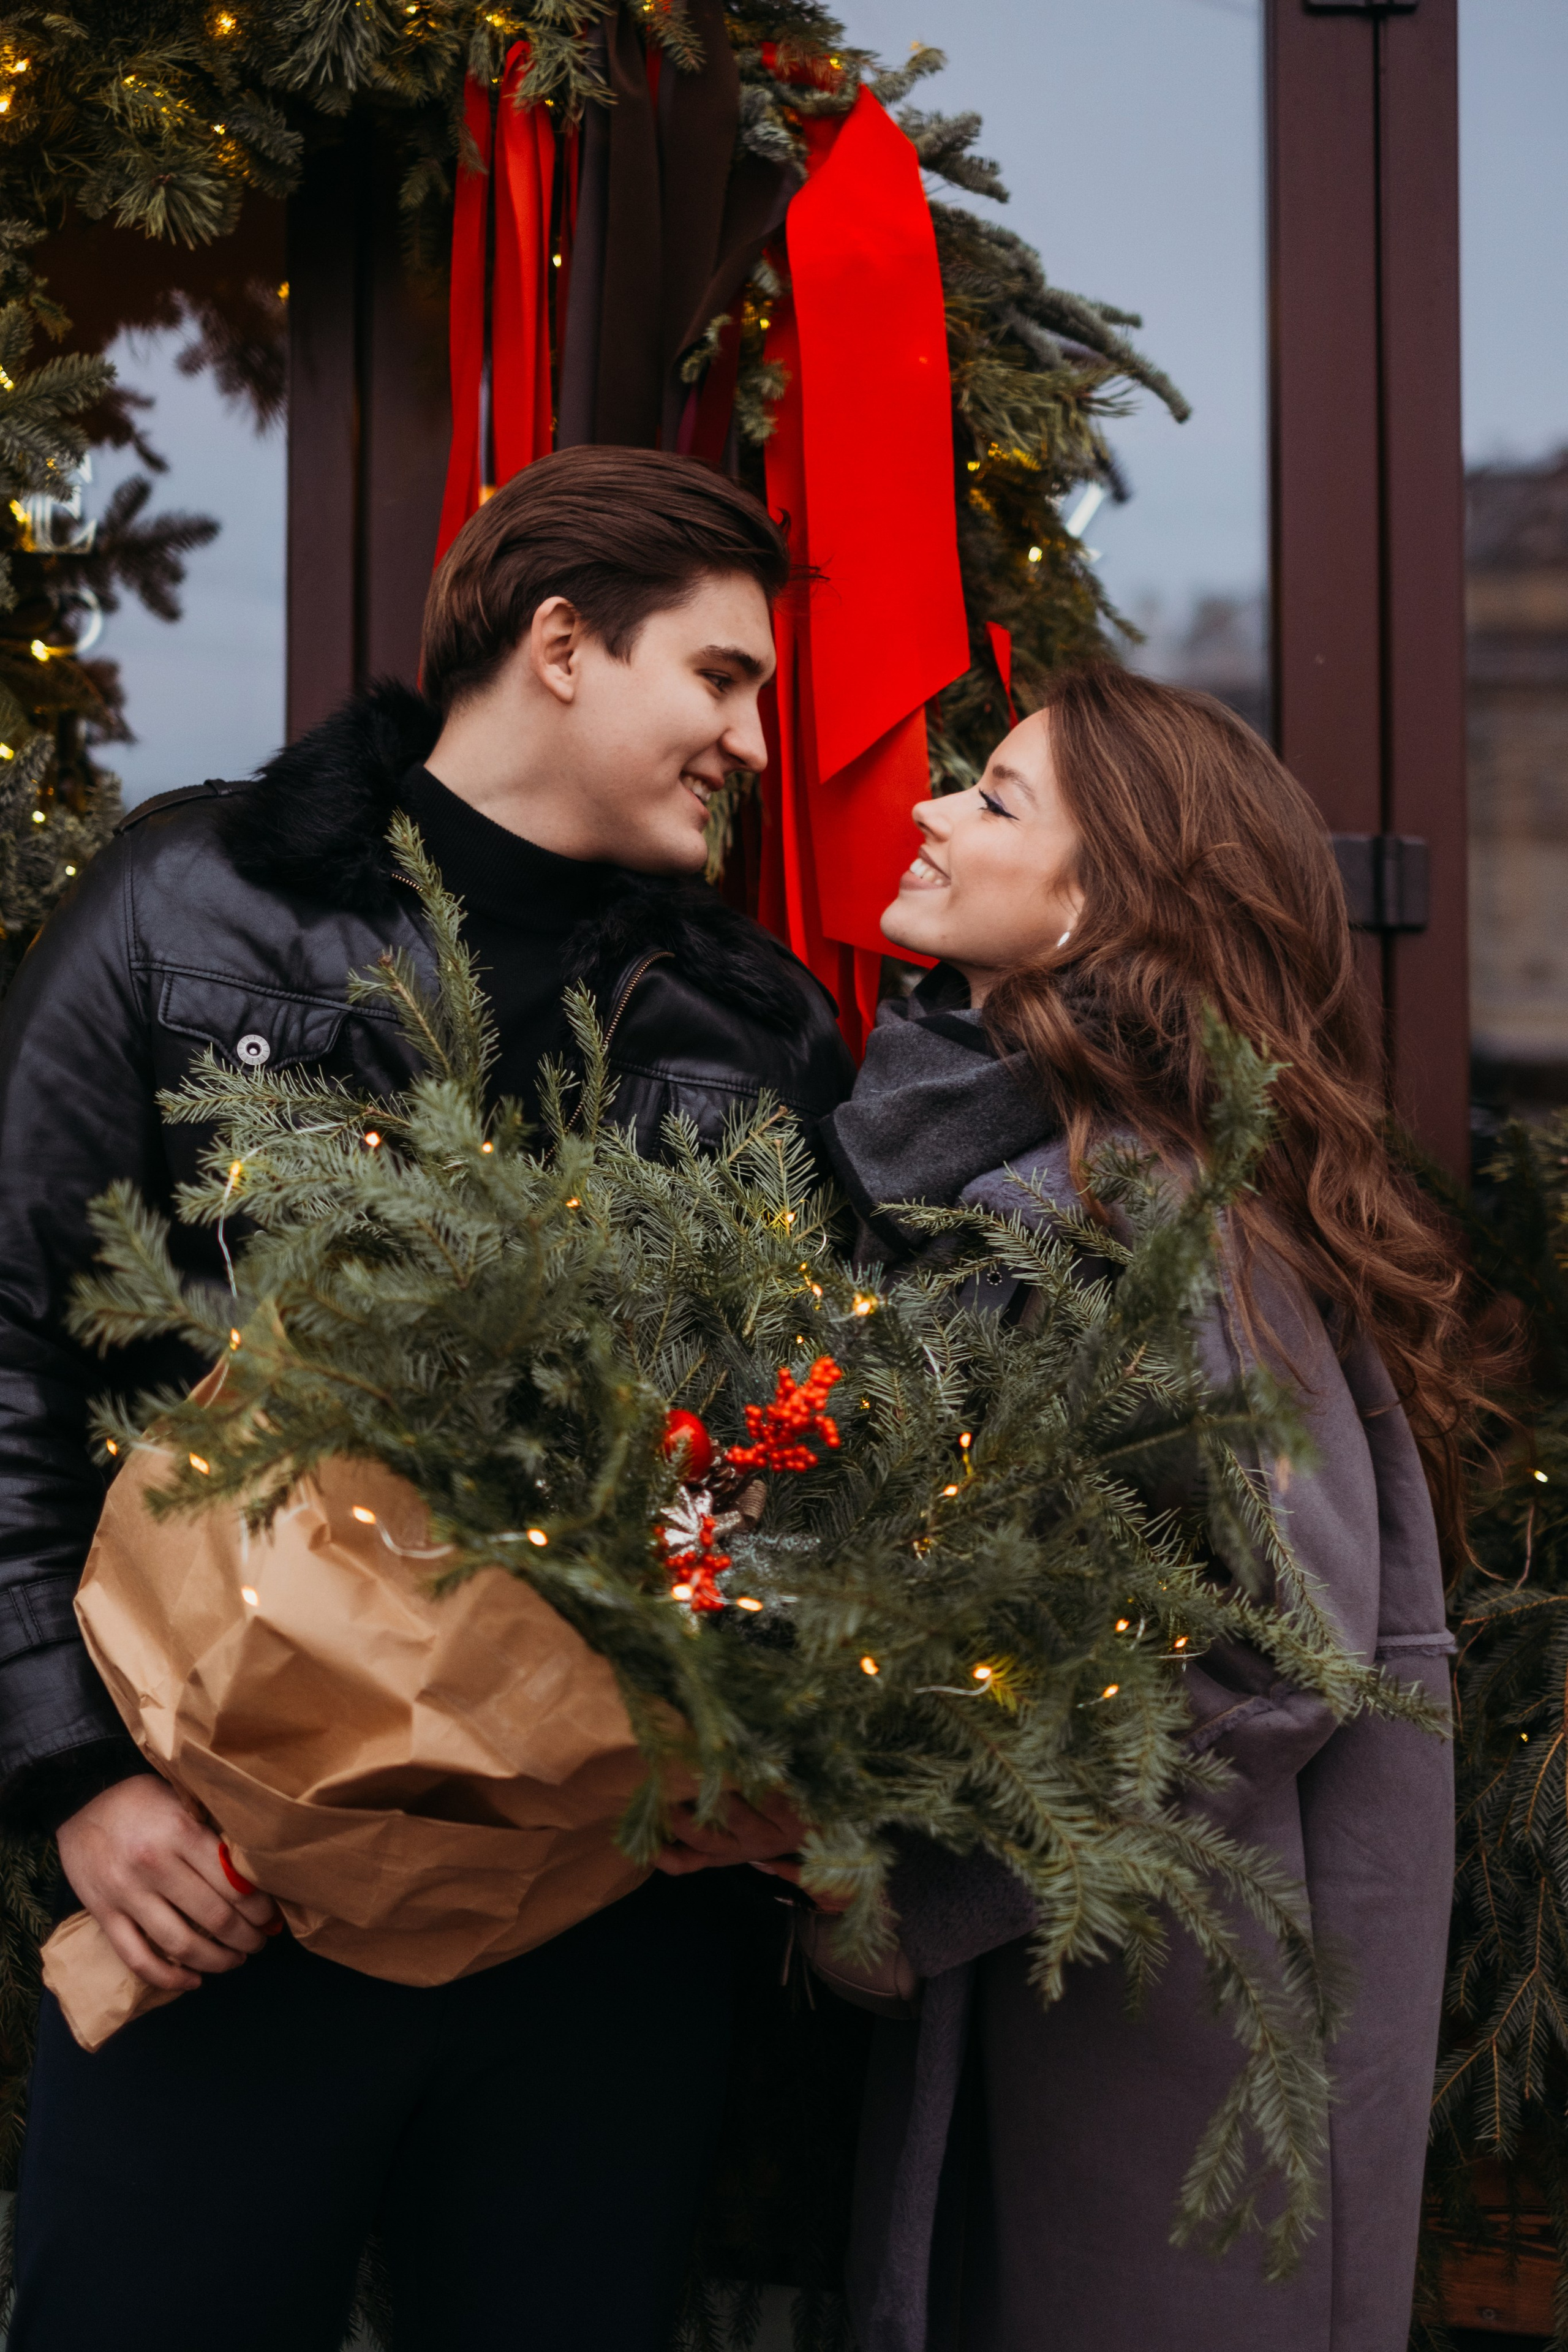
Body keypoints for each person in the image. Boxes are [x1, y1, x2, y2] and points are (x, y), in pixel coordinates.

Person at [0, 445, 852, 2351]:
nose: (751, 743)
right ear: (562, 642)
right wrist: (71, 1778)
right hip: (220, 1889)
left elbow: (815, 1419)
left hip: (604, 1931)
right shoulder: (182, 905)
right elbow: (7, 1337)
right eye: (721, 679)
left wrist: (782, 1724)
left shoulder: (757, 1020)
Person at [813, 665, 1467, 2352]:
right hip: (1071, 2007)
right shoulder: (1016, 1173)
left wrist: (925, 1896)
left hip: (1168, 2055)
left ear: (1110, 905)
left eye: (998, 800)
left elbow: (1282, 1655)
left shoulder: (1154, 1208)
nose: (934, 812)